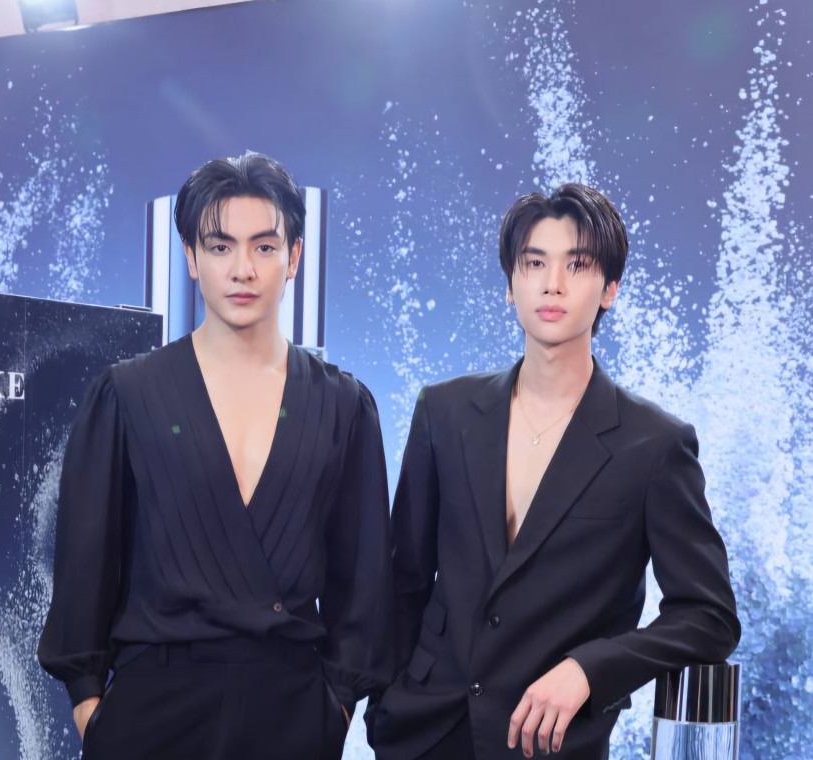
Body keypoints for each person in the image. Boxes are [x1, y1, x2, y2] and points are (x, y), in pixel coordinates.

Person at [38, 152, 393, 760]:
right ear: (191, 258)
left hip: (293, 711)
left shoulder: (342, 405)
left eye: (264, 247)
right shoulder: (127, 394)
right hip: (150, 710)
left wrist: (335, 707)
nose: (242, 270)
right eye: (221, 246)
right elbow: (85, 563)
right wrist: (89, 705)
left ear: (294, 257)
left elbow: (362, 580)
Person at [368, 184, 740, 759]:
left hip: (551, 742)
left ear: (610, 289)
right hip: (425, 732)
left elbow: (709, 616)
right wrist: (384, 706)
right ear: (511, 284)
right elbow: (405, 582)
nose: (553, 283)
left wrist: (590, 669)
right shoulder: (443, 411)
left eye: (578, 265)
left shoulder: (655, 444)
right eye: (535, 263)